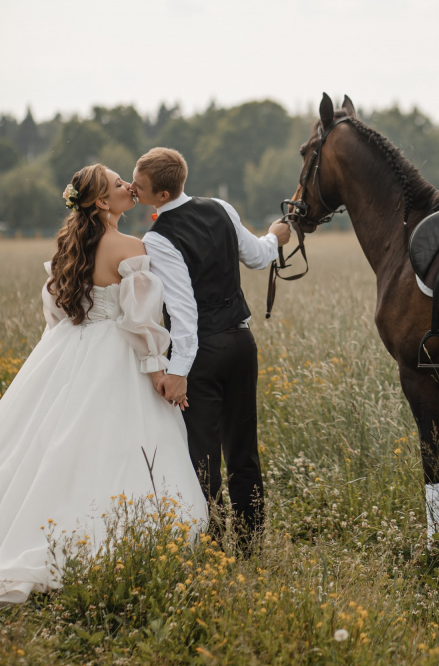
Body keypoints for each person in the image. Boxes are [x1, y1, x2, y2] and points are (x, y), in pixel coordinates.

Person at [0, 164, 208, 609]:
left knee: (46, 444)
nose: (129, 186)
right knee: (116, 444)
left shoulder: (71, 246)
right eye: (118, 183)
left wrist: (68, 349)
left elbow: (57, 313)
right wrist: (159, 371)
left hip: (68, 347)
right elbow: (141, 323)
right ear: (103, 202)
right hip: (116, 351)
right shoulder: (130, 247)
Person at [130, 147, 290, 553]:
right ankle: (251, 544)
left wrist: (179, 370)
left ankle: (214, 547)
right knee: (243, 449)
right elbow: (257, 257)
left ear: (161, 196)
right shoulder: (220, 207)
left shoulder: (158, 237)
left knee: (202, 454)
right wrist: (276, 235)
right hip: (241, 343)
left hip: (202, 353)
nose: (133, 187)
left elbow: (184, 312)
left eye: (140, 184)